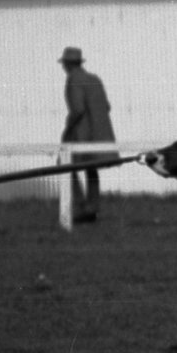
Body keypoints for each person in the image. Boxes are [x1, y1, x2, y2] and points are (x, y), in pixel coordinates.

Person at [60, 46, 115, 223]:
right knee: (91, 168)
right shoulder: (94, 79)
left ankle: (81, 207)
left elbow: (78, 109)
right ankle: (93, 207)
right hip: (98, 134)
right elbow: (106, 106)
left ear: (67, 65)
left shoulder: (73, 80)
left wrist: (67, 129)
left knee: (64, 165)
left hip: (81, 135)